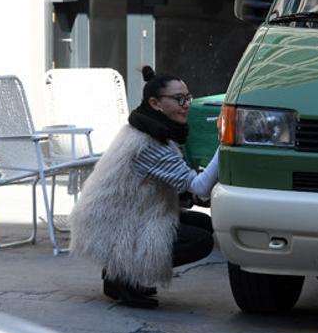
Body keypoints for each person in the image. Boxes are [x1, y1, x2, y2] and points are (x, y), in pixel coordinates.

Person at [69, 66, 219, 309]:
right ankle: (127, 274)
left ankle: (116, 276)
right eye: (178, 99)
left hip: (114, 218)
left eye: (188, 97)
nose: (186, 104)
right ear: (155, 103)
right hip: (114, 226)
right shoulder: (150, 144)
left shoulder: (142, 128)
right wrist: (226, 145)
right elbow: (199, 188)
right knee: (200, 241)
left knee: (203, 224)